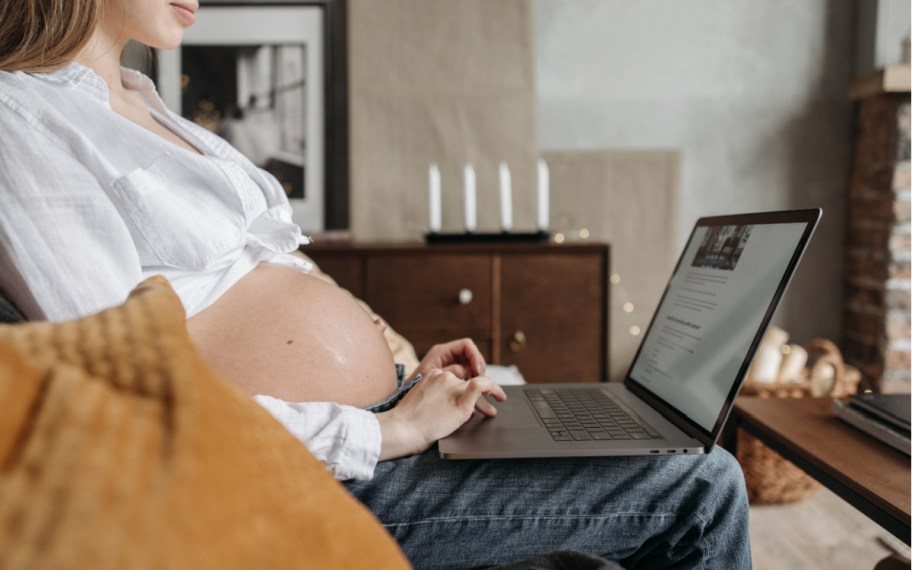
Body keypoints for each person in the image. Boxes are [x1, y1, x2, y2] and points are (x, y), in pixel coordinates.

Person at [0, 1, 752, 568]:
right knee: (699, 481)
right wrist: (388, 429)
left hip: (378, 425)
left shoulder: (140, 99)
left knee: (651, 438)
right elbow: (126, 393)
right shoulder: (19, 120)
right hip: (303, 478)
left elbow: (262, 289)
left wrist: (401, 380)